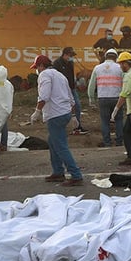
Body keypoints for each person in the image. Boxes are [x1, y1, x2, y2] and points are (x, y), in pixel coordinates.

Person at [29, 55, 83, 186]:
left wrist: (37, 111)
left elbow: (44, 96)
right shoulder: (60, 75)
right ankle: (58, 171)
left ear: (41, 66)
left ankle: (76, 175)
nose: (37, 70)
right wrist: (74, 115)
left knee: (60, 145)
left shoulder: (44, 75)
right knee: (53, 142)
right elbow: (71, 97)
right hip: (64, 113)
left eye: (37, 67)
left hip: (55, 114)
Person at [87, 48, 124, 147]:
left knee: (105, 121)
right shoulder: (120, 68)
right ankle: (119, 141)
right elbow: (125, 83)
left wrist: (91, 99)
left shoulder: (97, 68)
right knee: (119, 120)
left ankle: (107, 142)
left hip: (102, 98)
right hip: (117, 98)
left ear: (105, 56)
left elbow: (91, 85)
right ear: (116, 58)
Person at [53, 47, 88, 135]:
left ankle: (77, 127)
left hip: (71, 89)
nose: (71, 57)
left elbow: (71, 76)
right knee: (62, 109)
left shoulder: (70, 63)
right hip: (61, 90)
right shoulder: (57, 63)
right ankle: (60, 128)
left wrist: (75, 84)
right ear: (65, 54)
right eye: (70, 55)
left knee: (77, 106)